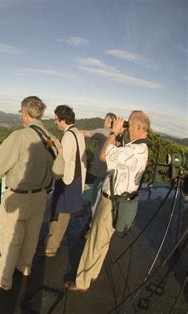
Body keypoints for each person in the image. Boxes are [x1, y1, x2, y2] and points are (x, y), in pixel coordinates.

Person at [66, 111, 150, 292]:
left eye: (128, 125)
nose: (126, 129)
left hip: (111, 201)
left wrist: (113, 133)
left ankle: (82, 282)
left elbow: (104, 156)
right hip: (121, 202)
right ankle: (93, 274)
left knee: (94, 242)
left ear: (136, 127)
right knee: (103, 242)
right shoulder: (143, 148)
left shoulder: (133, 150)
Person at [0, 96, 60, 291]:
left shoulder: (18, 137)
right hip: (40, 196)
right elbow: (59, 171)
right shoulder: (51, 139)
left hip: (18, 196)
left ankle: (4, 278)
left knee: (12, 239)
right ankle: (25, 267)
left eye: (21, 113)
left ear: (25, 113)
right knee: (32, 235)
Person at [38, 105, 87, 257]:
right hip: (76, 179)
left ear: (62, 120)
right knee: (64, 214)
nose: (55, 122)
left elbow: (62, 161)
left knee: (59, 214)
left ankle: (50, 247)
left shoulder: (68, 136)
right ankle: (53, 244)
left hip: (67, 181)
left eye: (56, 119)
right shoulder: (77, 133)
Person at [81, 113, 116, 217]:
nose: (103, 122)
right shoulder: (118, 135)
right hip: (111, 173)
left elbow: (85, 133)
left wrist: (71, 132)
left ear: (109, 122)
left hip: (101, 172)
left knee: (95, 199)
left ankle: (92, 222)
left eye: (105, 120)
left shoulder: (104, 131)